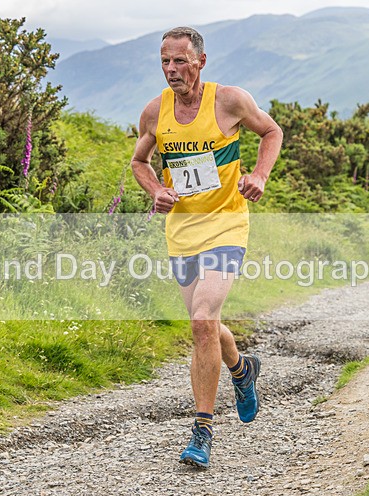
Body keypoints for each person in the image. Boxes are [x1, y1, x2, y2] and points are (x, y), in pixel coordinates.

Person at [130, 27, 283, 468]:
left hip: (227, 225)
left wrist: (259, 175)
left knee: (201, 320)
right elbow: (140, 161)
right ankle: (242, 369)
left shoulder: (229, 100)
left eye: (179, 61)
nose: (171, 70)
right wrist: (155, 188)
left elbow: (270, 132)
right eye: (164, 61)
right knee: (207, 327)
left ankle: (202, 430)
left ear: (200, 61)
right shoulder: (154, 112)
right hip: (182, 231)